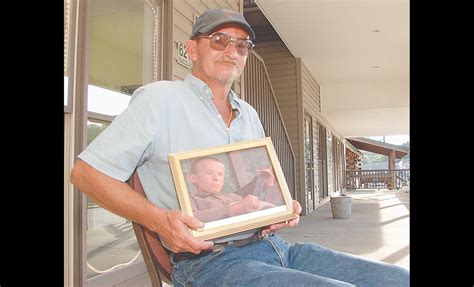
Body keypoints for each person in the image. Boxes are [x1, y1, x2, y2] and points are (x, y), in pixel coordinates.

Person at [70, 7, 409, 286]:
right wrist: (160, 221)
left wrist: (277, 207)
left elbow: (254, 188)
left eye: (242, 45)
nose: (232, 51)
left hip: (276, 247)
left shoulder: (249, 114)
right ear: (192, 49)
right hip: (209, 263)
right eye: (219, 40)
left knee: (397, 279)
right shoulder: (158, 101)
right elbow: (85, 174)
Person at [187, 156, 282, 223]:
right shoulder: (192, 200)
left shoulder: (232, 197)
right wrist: (234, 208)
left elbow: (268, 207)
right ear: (193, 178)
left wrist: (270, 183)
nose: (216, 178)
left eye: (220, 174)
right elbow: (194, 218)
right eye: (209, 173)